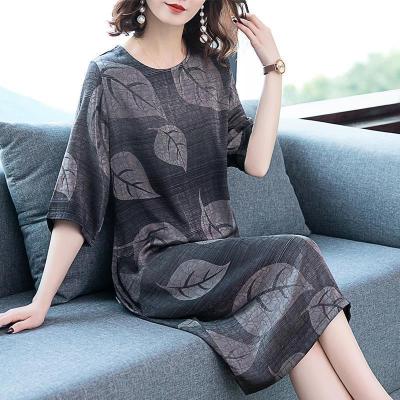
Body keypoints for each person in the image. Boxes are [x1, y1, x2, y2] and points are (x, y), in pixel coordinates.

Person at [0, 1, 392, 398]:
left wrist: (273, 70)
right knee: (298, 254)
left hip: (219, 256)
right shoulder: (108, 75)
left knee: (295, 320)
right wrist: (41, 302)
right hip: (153, 270)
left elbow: (256, 162)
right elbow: (79, 190)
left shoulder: (211, 69)